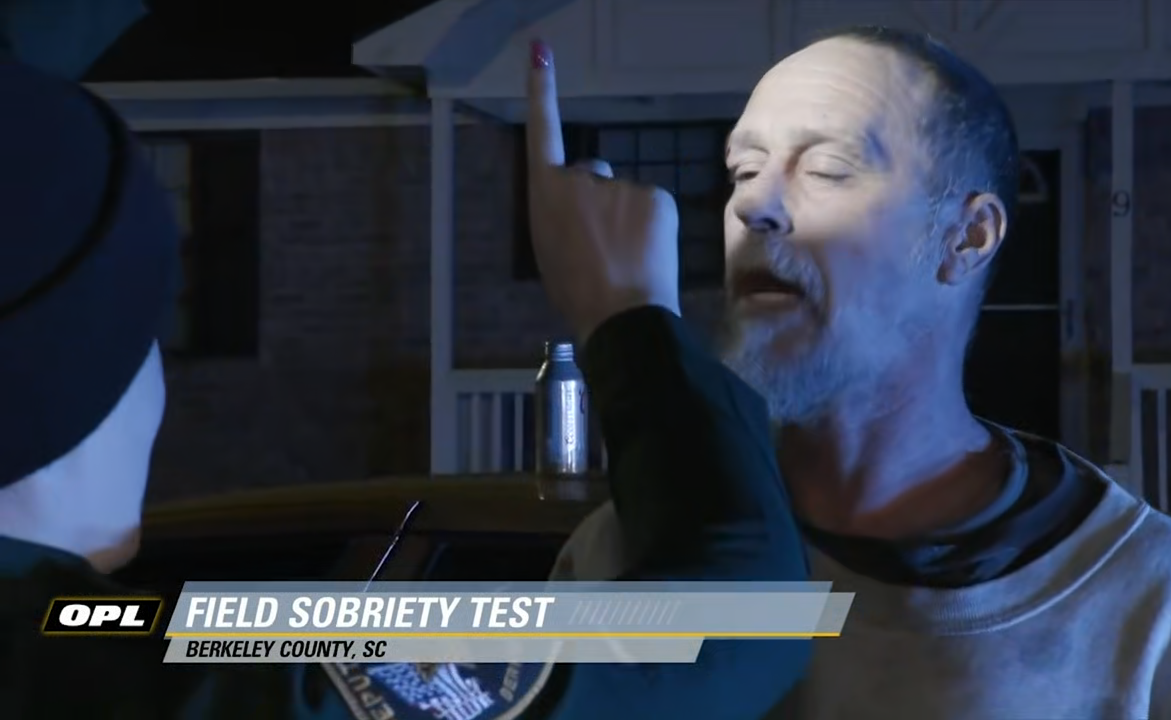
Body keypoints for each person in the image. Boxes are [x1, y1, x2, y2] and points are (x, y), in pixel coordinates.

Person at [0, 42, 809, 720]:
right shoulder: (111, 675)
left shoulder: (89, 634)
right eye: (142, 331)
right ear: (70, 381)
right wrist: (629, 317)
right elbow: (731, 628)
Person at [552, 25, 1171, 719]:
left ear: (967, 237)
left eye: (827, 170)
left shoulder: (1158, 600)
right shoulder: (629, 550)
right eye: (744, 170)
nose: (752, 205)